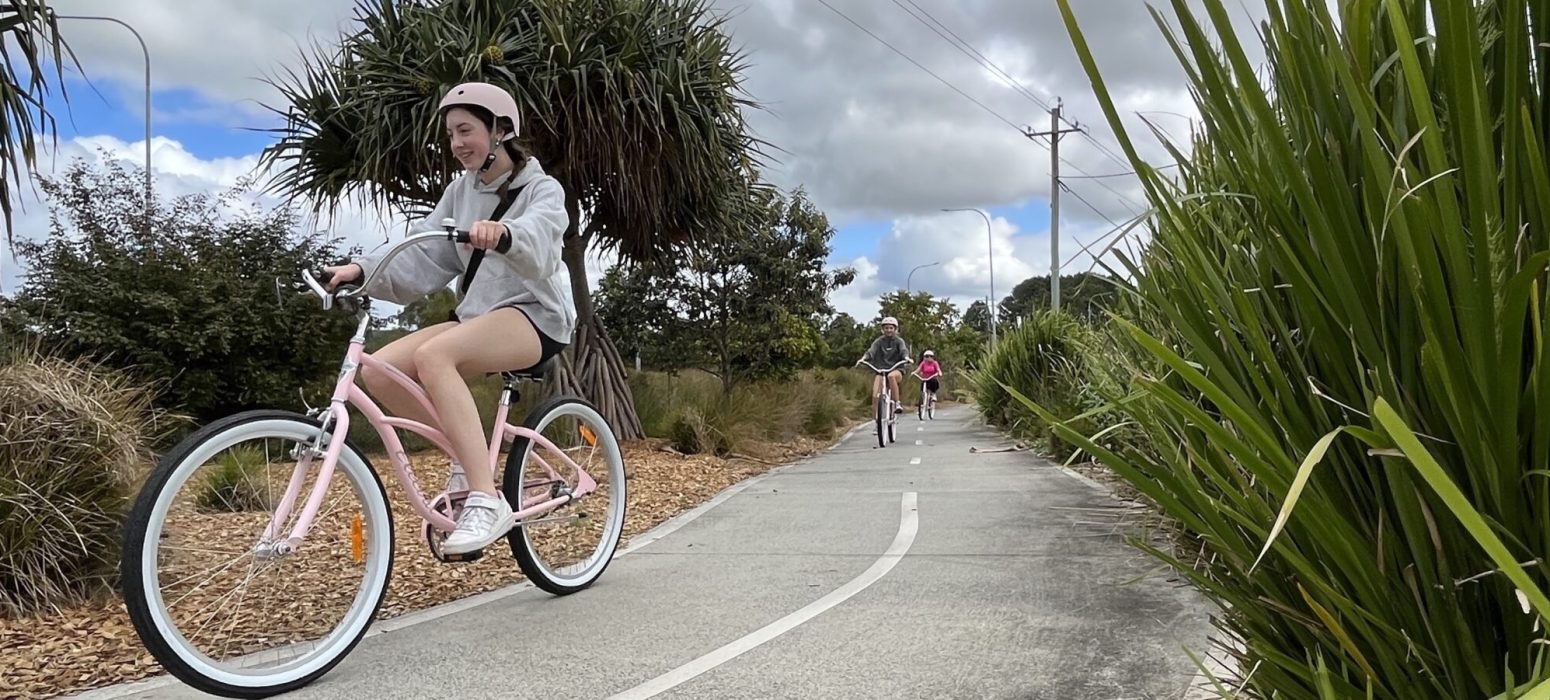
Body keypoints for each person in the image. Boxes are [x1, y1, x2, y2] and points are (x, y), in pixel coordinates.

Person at [321, 82, 574, 555]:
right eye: (451, 134)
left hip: (535, 315)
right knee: (384, 368)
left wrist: (505, 234)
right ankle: (467, 455)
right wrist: (361, 269)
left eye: (466, 130)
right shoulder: (460, 191)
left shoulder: (542, 188)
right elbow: (426, 250)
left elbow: (541, 242)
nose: (457, 143)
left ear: (501, 130)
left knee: (435, 355)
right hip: (478, 316)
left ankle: (485, 498)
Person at [856, 316, 911, 414]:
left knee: (891, 376)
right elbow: (871, 351)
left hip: (896, 369)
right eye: (886, 328)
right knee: (875, 394)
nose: (889, 330)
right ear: (882, 329)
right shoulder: (879, 341)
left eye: (891, 328)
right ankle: (877, 421)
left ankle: (897, 403)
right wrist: (863, 359)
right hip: (881, 371)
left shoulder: (899, 341)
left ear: (895, 329)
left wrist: (906, 358)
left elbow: (903, 350)